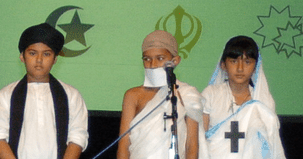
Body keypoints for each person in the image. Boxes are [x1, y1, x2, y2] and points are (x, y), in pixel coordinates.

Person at [0, 23, 88, 159]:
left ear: (55, 59)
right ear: (22, 57)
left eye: (46, 54)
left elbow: (78, 136)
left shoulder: (71, 95)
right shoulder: (6, 95)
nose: (39, 60)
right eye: (32, 53)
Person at [117, 30, 205, 159]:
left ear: (175, 61)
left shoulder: (187, 95)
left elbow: (191, 145)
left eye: (160, 58)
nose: (153, 65)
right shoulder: (133, 95)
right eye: (147, 59)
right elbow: (124, 145)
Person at [202, 36, 285, 159]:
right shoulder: (211, 94)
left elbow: (271, 144)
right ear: (223, 65)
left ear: (255, 67)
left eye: (247, 62)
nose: (240, 68)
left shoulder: (262, 101)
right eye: (234, 61)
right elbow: (199, 138)